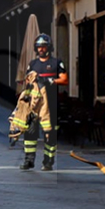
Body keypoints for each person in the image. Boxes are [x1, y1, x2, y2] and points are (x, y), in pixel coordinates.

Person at [21, 33, 68, 171]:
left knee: (50, 133)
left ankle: (48, 161)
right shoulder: (33, 64)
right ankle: (29, 160)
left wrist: (51, 80)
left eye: (44, 46)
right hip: (34, 104)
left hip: (51, 104)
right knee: (30, 132)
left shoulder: (56, 63)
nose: (41, 49)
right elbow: (27, 81)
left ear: (49, 47)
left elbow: (65, 80)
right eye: (39, 47)